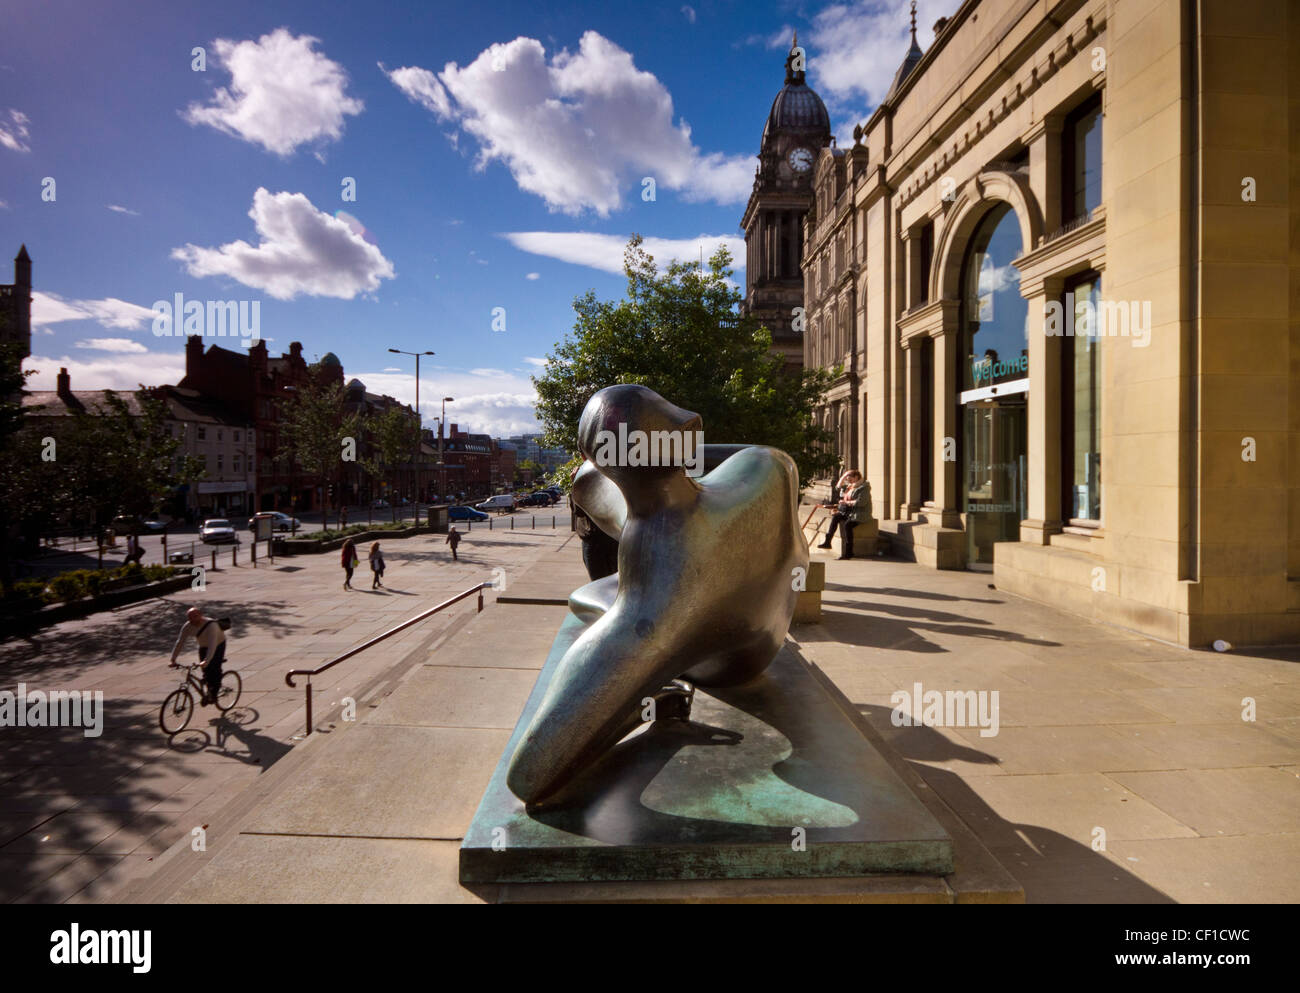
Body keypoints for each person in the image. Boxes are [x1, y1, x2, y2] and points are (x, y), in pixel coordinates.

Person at [169, 607, 226, 706]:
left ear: (201, 615)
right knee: (206, 670)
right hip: (203, 646)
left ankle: (214, 694)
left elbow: (212, 645)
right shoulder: (187, 626)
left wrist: (206, 661)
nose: (193, 619)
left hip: (218, 644)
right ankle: (208, 689)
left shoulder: (211, 625)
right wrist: (173, 659)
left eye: (195, 616)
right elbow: (180, 642)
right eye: (190, 617)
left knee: (214, 669)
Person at [818, 469, 865, 559]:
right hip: (849, 512)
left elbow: (861, 502)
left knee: (848, 525)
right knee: (836, 517)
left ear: (856, 477)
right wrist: (843, 476)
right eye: (847, 480)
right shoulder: (850, 486)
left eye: (850, 479)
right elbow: (838, 487)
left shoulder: (863, 488)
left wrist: (847, 503)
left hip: (859, 513)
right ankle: (828, 542)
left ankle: (849, 552)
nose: (848, 481)